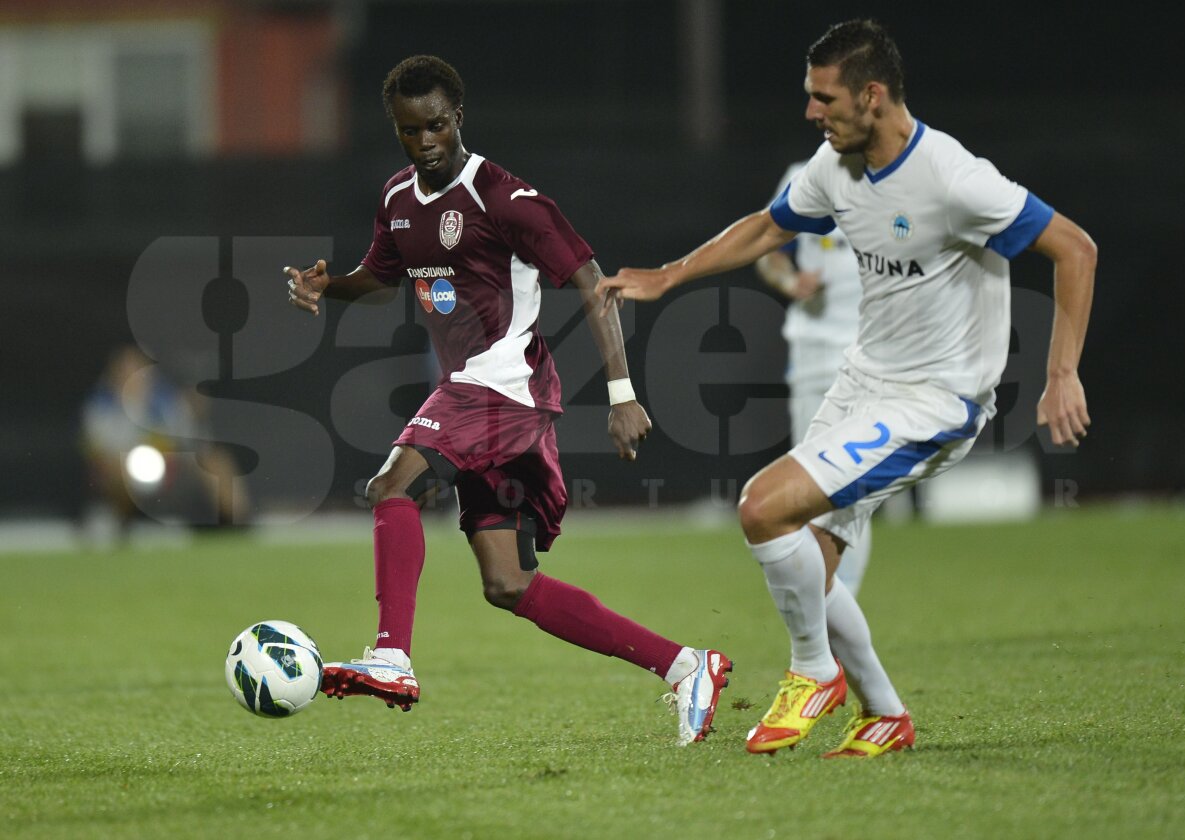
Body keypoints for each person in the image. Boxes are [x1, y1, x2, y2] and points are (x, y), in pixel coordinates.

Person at [598, 18, 1095, 758]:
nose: (810, 111)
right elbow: (766, 229)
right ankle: (885, 713)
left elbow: (1075, 248)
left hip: (934, 401)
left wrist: (1060, 373)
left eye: (824, 97)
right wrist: (669, 276)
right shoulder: (835, 168)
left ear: (872, 95)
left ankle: (813, 671)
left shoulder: (954, 179)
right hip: (863, 382)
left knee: (762, 507)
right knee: (810, 565)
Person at [283, 55, 731, 746]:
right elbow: (379, 276)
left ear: (458, 117)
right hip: (485, 392)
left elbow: (591, 281)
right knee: (508, 583)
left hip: (504, 385)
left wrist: (622, 394)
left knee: (391, 485)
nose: (425, 141)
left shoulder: (504, 197)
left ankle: (391, 656)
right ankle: (687, 667)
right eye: (409, 130)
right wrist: (328, 287)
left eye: (436, 125)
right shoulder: (397, 198)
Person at [754, 162, 872, 596]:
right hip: (812, 353)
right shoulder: (805, 175)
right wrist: (789, 280)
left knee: (849, 487)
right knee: (810, 486)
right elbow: (767, 250)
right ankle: (830, 601)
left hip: (871, 353)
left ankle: (838, 599)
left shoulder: (899, 176)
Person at [80, 343, 248, 539]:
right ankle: (122, 527)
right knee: (118, 468)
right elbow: (100, 453)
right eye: (126, 368)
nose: (133, 375)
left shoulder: (167, 403)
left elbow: (192, 442)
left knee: (216, 461)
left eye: (138, 368)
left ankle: (237, 526)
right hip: (123, 478)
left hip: (169, 473)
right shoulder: (100, 407)